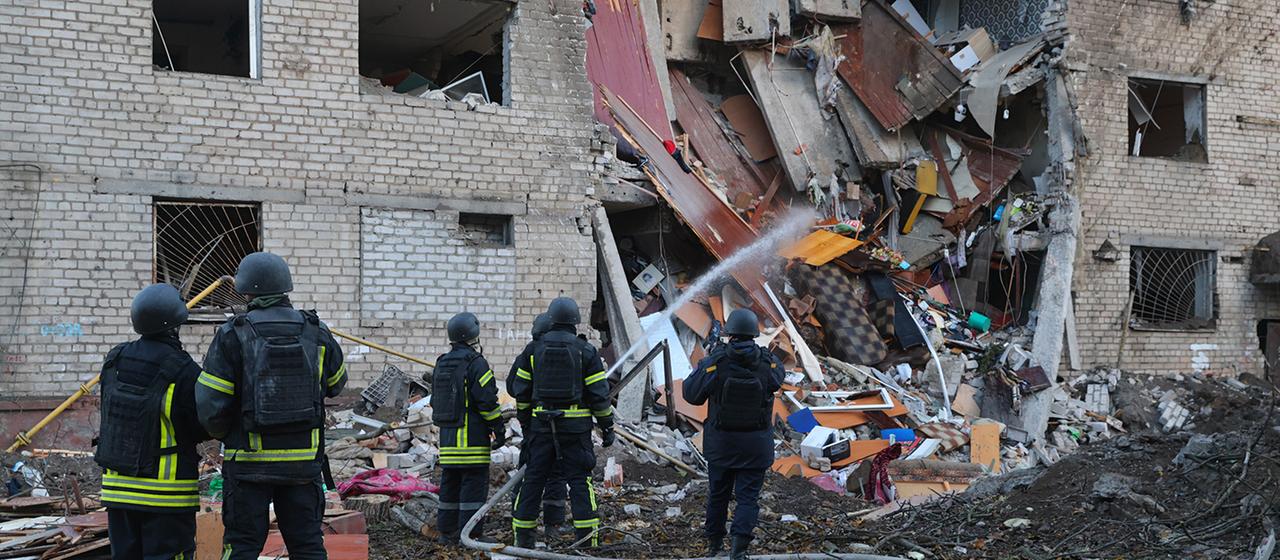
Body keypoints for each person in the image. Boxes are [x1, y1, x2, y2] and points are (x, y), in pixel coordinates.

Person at [196, 252, 347, 560]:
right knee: (307, 546)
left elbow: (210, 405)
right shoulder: (316, 330)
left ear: (246, 290)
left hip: (248, 466)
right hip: (303, 466)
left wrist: (228, 434)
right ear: (285, 287)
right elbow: (337, 383)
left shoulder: (232, 333)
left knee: (242, 547)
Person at [97, 283, 209, 560]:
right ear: (174, 325)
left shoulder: (115, 359)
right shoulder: (183, 369)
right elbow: (202, 425)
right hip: (166, 496)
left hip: (118, 493)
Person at [508, 298, 615, 548]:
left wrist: (527, 424)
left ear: (551, 319)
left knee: (533, 480)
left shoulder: (533, 350)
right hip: (575, 431)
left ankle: (523, 541)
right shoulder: (586, 351)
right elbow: (599, 396)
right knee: (580, 482)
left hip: (541, 428)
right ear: (575, 321)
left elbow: (521, 393)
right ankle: (586, 542)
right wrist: (607, 426)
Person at [683, 308, 783, 560]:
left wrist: (707, 362)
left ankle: (715, 546)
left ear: (729, 334)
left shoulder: (716, 362)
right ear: (754, 333)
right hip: (756, 447)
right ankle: (739, 550)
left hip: (722, 446)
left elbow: (691, 394)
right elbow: (777, 379)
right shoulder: (768, 362)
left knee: (718, 495)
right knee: (748, 498)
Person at [430, 312, 504, 545]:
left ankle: (447, 533)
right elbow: (487, 401)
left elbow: (435, 401)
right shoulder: (476, 363)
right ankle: (471, 535)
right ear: (474, 335)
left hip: (448, 442)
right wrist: (498, 427)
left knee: (450, 487)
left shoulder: (442, 362)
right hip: (472, 442)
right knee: (473, 488)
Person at [515, 313, 573, 541]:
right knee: (556, 475)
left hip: (536, 429)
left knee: (531, 475)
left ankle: (522, 528)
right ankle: (553, 526)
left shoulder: (530, 352)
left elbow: (514, 386)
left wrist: (525, 421)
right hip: (563, 428)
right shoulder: (571, 350)